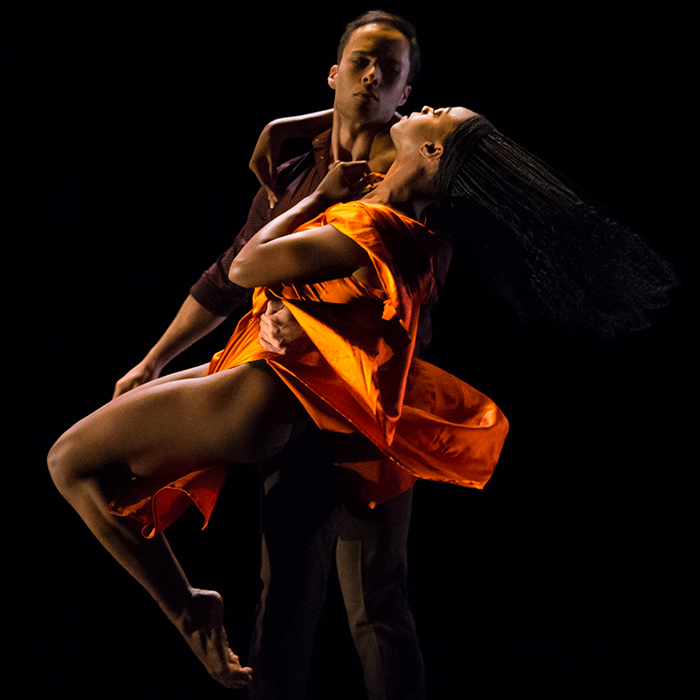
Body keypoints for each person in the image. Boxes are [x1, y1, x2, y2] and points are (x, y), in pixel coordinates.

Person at [48, 103, 513, 687]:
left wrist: (316, 197)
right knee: (311, 591)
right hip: (302, 397)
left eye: (436, 114)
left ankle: (188, 608)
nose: (423, 107)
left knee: (69, 462)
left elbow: (244, 267)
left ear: (433, 152)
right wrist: (283, 134)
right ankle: (198, 612)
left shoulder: (371, 225)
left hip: (266, 393)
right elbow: (379, 321)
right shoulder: (419, 233)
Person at [112, 12, 439, 700]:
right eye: (359, 61)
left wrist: (310, 314)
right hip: (289, 404)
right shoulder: (296, 166)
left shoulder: (412, 174)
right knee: (284, 587)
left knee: (376, 601)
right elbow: (229, 273)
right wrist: (153, 360)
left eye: (389, 67)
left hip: (367, 412)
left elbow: (410, 290)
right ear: (334, 72)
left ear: (407, 91)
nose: (372, 75)